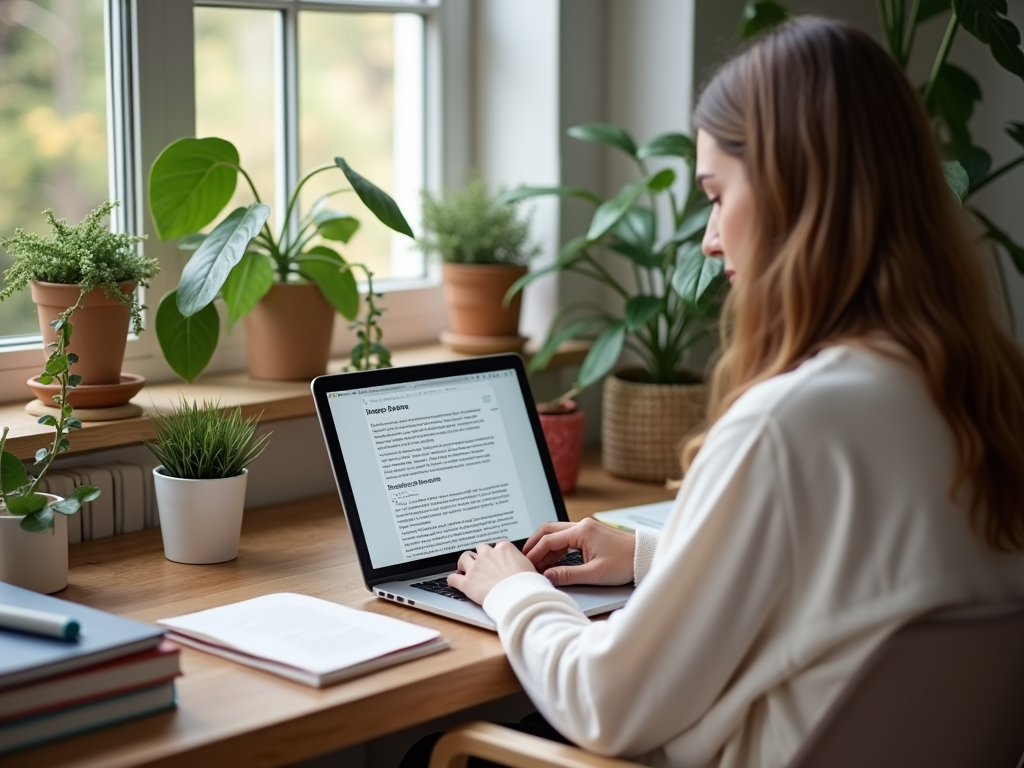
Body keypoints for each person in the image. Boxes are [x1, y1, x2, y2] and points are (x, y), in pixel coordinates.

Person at [408, 16, 1024, 768]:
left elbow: (606, 705)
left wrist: (510, 590)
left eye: (717, 193)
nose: (708, 236)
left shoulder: (790, 424)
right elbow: (845, 593)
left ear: (796, 194)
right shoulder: (973, 391)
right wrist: (652, 556)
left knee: (435, 754)